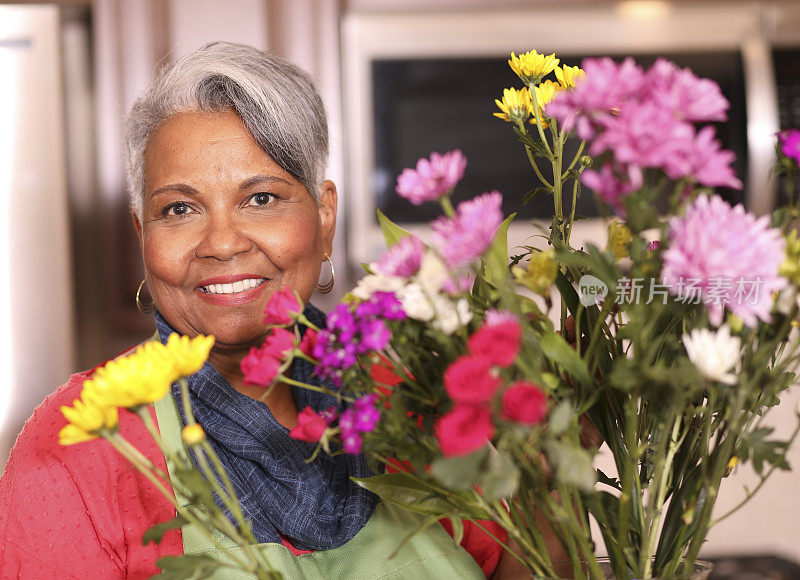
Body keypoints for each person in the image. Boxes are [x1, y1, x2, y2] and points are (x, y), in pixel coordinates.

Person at [0, 42, 523, 578]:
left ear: (324, 220)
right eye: (179, 209)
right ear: (142, 234)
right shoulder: (79, 446)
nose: (222, 244)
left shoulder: (412, 396)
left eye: (262, 199)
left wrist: (550, 482)